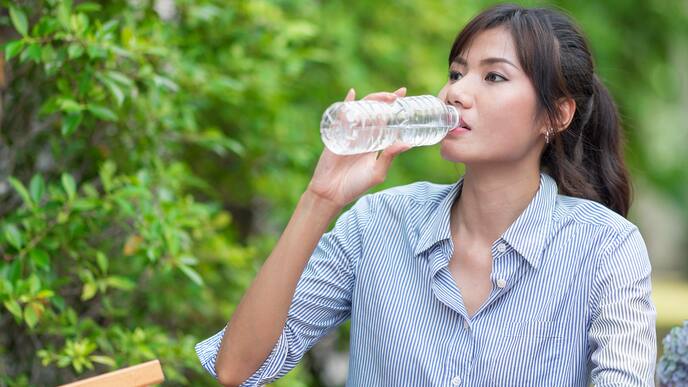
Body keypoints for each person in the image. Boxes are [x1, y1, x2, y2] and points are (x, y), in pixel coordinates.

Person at [196, 3, 656, 386]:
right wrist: (321, 198)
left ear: (555, 115)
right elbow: (238, 369)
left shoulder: (606, 248)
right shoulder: (377, 223)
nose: (457, 93)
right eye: (456, 73)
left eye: (493, 77)